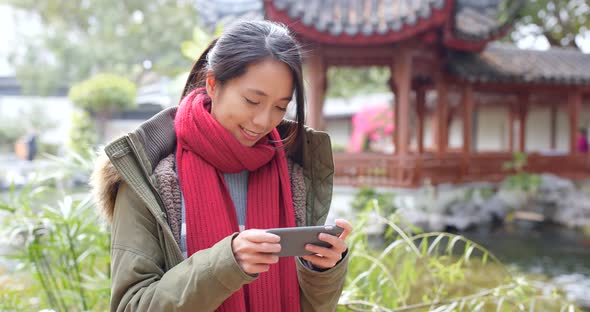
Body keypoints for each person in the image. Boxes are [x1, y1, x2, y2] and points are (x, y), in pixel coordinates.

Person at [91, 20, 352, 312]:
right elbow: (132, 306)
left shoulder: (294, 177)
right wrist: (226, 264)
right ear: (213, 84)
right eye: (252, 101)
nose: (264, 121)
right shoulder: (150, 179)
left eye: (280, 107)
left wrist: (321, 272)